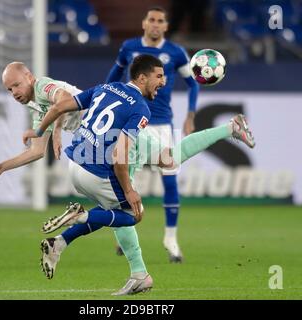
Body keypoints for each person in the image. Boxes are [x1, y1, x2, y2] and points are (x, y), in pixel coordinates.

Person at [23, 53, 255, 295]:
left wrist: (38, 131)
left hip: (75, 166)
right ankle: (79, 219)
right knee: (133, 214)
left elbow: (60, 106)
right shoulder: (140, 108)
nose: (164, 82)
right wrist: (129, 190)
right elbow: (119, 155)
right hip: (98, 171)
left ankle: (122, 268)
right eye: (159, 76)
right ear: (142, 77)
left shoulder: (106, 87)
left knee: (158, 169)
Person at [106, 6, 199, 262]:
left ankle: (171, 239)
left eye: (161, 21)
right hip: (130, 122)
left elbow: (192, 84)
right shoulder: (129, 47)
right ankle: (125, 234)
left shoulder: (175, 53)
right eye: (152, 20)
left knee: (170, 179)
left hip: (161, 124)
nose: (156, 24)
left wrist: (190, 115)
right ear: (144, 23)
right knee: (124, 179)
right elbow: (112, 79)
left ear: (166, 26)